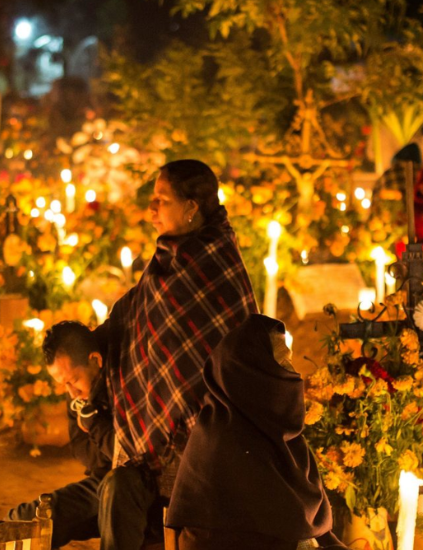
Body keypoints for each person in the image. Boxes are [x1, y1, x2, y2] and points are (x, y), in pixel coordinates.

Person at [98, 159, 257, 550]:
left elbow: (221, 356)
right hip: (159, 439)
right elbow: (140, 327)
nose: (150, 210)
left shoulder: (215, 263)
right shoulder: (164, 261)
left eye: (161, 200)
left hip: (207, 444)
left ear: (191, 207)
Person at [166, 314, 345, 550]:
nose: (292, 372)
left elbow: (310, 531)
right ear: (252, 374)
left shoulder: (282, 439)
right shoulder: (221, 444)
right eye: (281, 362)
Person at [7, 321, 118, 547]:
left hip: (126, 488)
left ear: (96, 360)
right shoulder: (78, 396)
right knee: (24, 521)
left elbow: (126, 454)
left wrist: (95, 424)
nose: (71, 392)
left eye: (74, 380)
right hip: (100, 481)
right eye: (63, 384)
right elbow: (82, 451)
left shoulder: (124, 381)